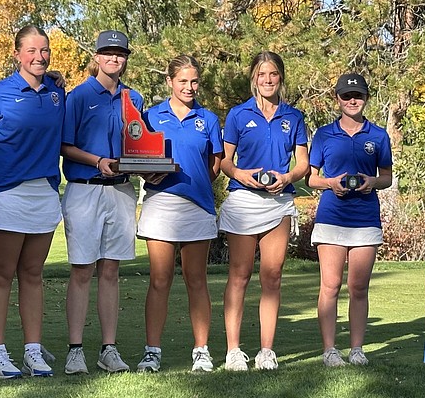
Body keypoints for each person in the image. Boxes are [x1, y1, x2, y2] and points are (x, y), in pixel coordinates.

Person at [0, 25, 65, 378]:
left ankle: (32, 350)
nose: (39, 57)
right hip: (7, 193)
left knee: (32, 274)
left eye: (44, 51)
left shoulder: (57, 93)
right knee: (1, 275)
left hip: (43, 193)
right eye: (31, 51)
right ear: (17, 54)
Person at [218, 51, 309, 371]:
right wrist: (240, 174)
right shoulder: (238, 115)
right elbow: (225, 160)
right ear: (253, 78)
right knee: (240, 276)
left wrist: (287, 177)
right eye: (261, 74)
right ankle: (233, 351)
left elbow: (303, 164)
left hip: (279, 202)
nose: (267, 80)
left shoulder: (294, 117)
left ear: (280, 78)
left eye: (273, 74)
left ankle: (266, 351)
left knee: (272, 277)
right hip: (244, 201)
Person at [58, 30, 141, 374]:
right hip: (84, 188)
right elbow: (64, 145)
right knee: (82, 270)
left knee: (111, 270)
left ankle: (109, 349)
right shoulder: (78, 96)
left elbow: (140, 143)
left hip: (120, 191)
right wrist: (97, 161)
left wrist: (145, 166)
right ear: (96, 57)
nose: (114, 59)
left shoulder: (133, 97)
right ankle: (75, 349)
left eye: (120, 54)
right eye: (107, 53)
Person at [135, 54, 224, 373]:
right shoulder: (151, 115)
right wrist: (149, 174)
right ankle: (152, 352)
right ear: (170, 81)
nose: (189, 86)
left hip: (198, 205)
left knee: (196, 280)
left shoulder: (208, 119)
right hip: (161, 203)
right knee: (160, 279)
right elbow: (140, 156)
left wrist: (198, 180)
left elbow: (215, 162)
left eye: (194, 81)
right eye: (183, 81)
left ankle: (201, 351)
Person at [307, 72, 393, 367]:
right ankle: (330, 350)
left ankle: (357, 350)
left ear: (366, 99)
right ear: (337, 100)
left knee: (358, 287)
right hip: (332, 216)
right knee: (330, 286)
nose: (352, 100)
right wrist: (331, 183)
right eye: (346, 96)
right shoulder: (323, 134)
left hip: (365, 217)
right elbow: (311, 178)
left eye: (357, 96)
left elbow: (387, 178)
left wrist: (372, 181)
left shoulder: (379, 135)